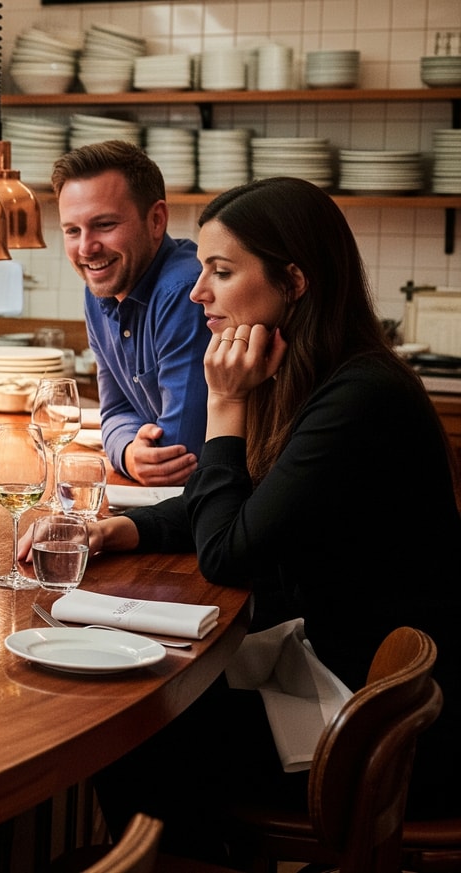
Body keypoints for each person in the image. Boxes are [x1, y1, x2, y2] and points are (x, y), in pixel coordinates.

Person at [80, 176, 461, 861]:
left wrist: (224, 407)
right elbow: (243, 500)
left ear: (294, 281)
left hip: (378, 733)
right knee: (139, 712)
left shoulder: (360, 399)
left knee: (128, 729)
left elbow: (230, 551)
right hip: (337, 678)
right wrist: (128, 528)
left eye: (221, 272)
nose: (199, 293)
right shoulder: (322, 374)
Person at [53, 140, 208, 486]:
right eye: (72, 231)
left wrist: (136, 454)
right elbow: (116, 410)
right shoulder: (100, 290)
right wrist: (127, 453)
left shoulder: (185, 291)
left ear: (156, 220)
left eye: (104, 225)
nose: (86, 248)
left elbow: (178, 456)